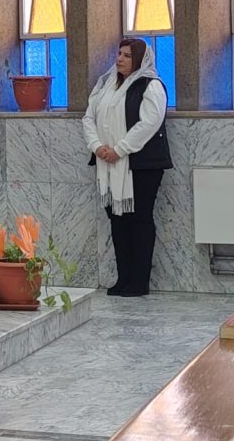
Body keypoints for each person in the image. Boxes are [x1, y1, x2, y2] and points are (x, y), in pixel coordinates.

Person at [83, 38, 172, 298]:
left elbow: (149, 123)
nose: (119, 59)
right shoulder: (106, 84)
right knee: (117, 220)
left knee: (139, 219)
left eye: (127, 56)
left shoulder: (151, 85)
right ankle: (123, 278)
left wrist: (119, 149)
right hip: (107, 163)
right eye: (119, 54)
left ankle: (139, 281)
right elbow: (89, 117)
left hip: (141, 165)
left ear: (140, 60)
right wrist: (97, 146)